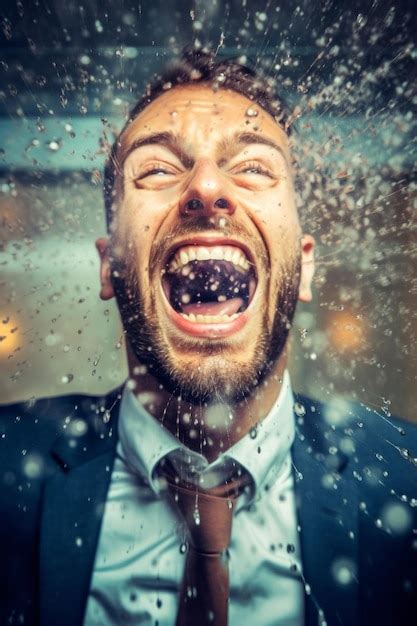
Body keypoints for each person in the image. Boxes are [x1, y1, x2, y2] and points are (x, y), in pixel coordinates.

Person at [0, 48, 416, 626]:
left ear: (305, 265)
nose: (208, 186)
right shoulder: (7, 470)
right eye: (157, 170)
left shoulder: (407, 482)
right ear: (108, 264)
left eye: (252, 167)